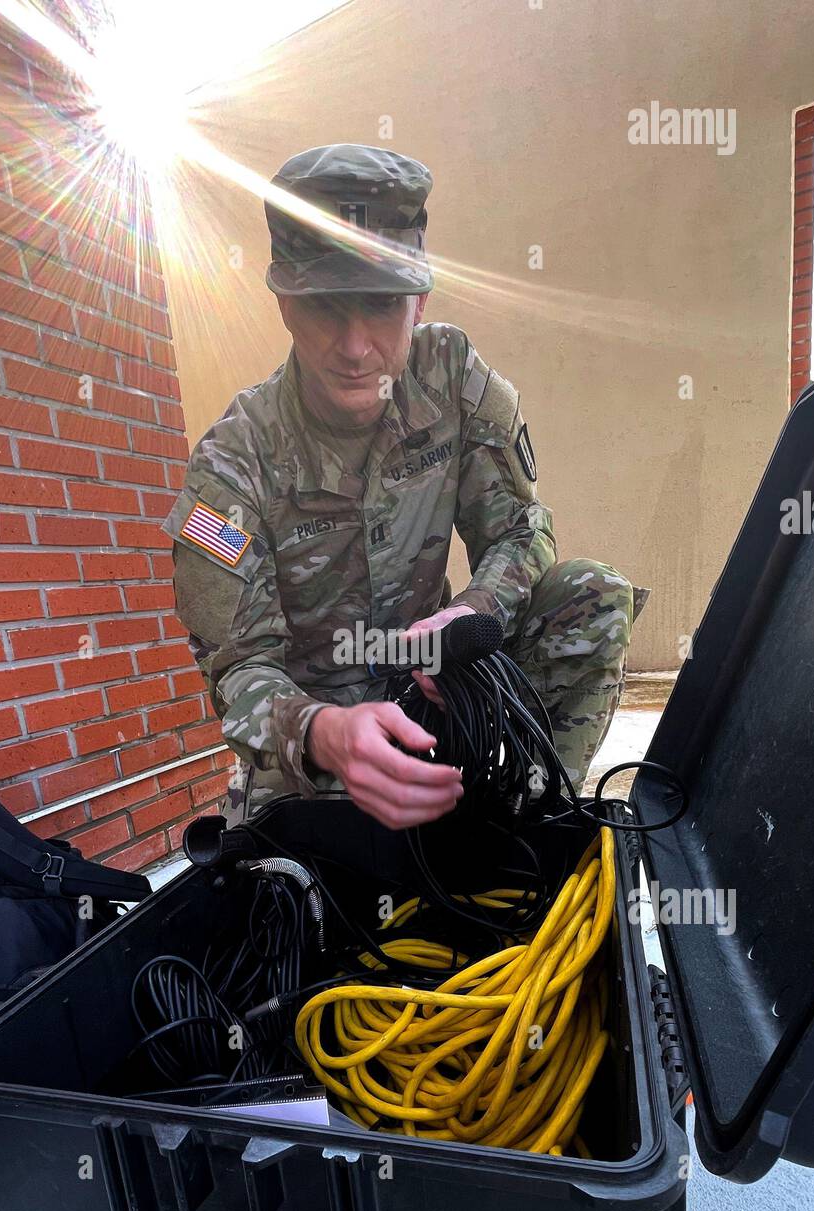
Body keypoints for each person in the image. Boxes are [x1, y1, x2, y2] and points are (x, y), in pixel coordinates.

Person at [163, 144, 645, 830]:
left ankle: (527, 826)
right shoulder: (235, 461)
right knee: (297, 895)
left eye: (382, 305)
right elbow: (238, 672)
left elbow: (521, 528)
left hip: (442, 689)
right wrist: (322, 731)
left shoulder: (450, 375)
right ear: (284, 304)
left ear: (419, 298)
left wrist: (473, 611)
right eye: (326, 308)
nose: (355, 347)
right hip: (319, 740)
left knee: (591, 593)